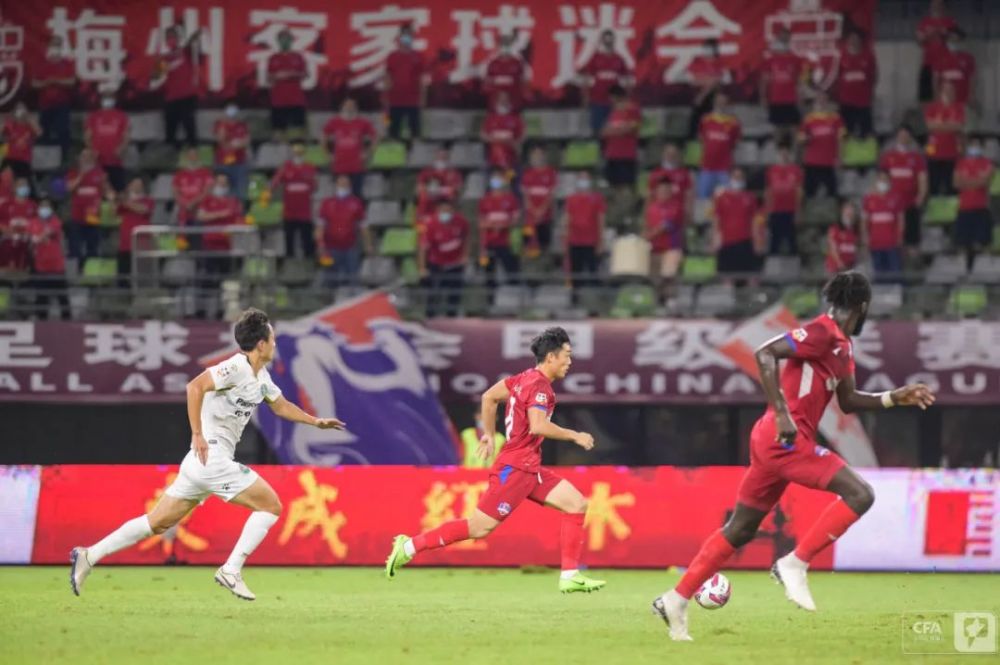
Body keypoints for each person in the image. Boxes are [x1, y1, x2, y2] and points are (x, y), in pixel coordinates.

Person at [652, 271, 935, 641]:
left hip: (777, 442)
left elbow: (848, 401)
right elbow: (764, 352)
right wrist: (782, 412)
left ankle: (676, 599)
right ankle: (795, 563)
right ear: (863, 306)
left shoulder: (843, 346)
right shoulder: (821, 332)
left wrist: (893, 397)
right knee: (860, 494)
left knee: (741, 528)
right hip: (783, 439)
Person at [70, 309, 346, 600]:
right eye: (273, 339)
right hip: (211, 456)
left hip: (199, 463)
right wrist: (197, 433)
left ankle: (89, 555)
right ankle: (231, 570)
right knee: (271, 505)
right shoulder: (235, 367)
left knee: (156, 522)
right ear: (261, 344)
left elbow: (281, 406)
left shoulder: (261, 377)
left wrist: (316, 421)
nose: (275, 344)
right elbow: (195, 386)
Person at [385, 326, 605, 594]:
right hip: (516, 468)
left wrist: (489, 434)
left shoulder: (523, 378)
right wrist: (575, 435)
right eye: (567, 355)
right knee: (478, 528)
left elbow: (489, 397)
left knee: (576, 503)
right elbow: (537, 426)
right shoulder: (540, 387)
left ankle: (570, 575)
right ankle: (408, 547)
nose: (570, 361)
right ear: (551, 357)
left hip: (529, 467)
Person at [879, 126, 928, 262]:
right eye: (901, 135)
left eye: (906, 135)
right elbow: (882, 178)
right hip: (893, 205)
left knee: (912, 237)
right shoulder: (888, 157)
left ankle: (913, 263)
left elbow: (922, 178)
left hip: (910, 203)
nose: (903, 138)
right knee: (895, 236)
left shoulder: (916, 158)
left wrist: (921, 195)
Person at [418, 198, 469, 317]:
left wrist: (465, 256)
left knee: (455, 293)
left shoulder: (462, 222)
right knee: (433, 293)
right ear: (438, 210)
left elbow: (466, 239)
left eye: (448, 210)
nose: (446, 213)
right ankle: (430, 317)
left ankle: (452, 317)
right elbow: (423, 248)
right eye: (443, 211)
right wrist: (422, 268)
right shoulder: (430, 224)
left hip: (455, 264)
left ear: (453, 210)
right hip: (437, 264)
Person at [154, 24, 202, 149]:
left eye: (173, 36)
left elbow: (191, 42)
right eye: (168, 37)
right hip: (171, 99)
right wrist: (157, 63)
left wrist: (195, 35)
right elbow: (156, 76)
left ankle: (193, 155)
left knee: (190, 130)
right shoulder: (165, 58)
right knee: (170, 133)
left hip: (187, 97)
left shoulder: (185, 52)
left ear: (178, 38)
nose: (171, 39)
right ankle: (171, 156)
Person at [316, 174, 369, 285]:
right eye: (341, 183)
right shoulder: (327, 203)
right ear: (336, 185)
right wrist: (320, 245)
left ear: (350, 186)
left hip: (350, 249)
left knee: (353, 279)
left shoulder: (356, 203)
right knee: (329, 280)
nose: (343, 186)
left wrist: (368, 244)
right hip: (330, 249)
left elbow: (363, 226)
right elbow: (320, 226)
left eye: (346, 184)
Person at [271, 141, 318, 259]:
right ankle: (289, 262)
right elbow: (275, 183)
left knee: (307, 240)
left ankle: (308, 262)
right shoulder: (285, 167)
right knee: (289, 241)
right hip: (289, 211)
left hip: (305, 212)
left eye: (300, 150)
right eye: (295, 150)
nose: (298, 153)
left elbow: (314, 186)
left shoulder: (310, 167)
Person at [31, 34, 76, 159]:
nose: (55, 47)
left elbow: (72, 81)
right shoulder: (41, 63)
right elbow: (34, 83)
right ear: (48, 46)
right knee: (43, 132)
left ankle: (63, 157)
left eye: (58, 45)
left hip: (62, 105)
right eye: (53, 44)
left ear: (61, 47)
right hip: (45, 105)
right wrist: (46, 83)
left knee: (62, 130)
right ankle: (44, 159)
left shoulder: (67, 63)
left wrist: (57, 81)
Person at [954, 136, 995, 270]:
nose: (974, 148)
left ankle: (981, 270)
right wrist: (976, 181)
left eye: (977, 145)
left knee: (981, 243)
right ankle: (966, 270)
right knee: (963, 244)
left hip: (981, 208)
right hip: (964, 208)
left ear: (982, 148)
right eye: (972, 145)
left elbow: (985, 181)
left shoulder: (987, 163)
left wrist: (966, 182)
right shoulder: (961, 163)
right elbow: (956, 183)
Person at [580, 29, 631, 137]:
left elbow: (627, 79)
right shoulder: (595, 58)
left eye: (610, 40)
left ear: (614, 41)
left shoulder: (619, 59)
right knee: (597, 130)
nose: (608, 42)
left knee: (615, 129)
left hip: (615, 102)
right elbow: (586, 78)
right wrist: (586, 96)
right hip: (597, 100)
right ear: (602, 41)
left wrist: (625, 98)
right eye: (606, 40)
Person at [712, 168, 762, 277]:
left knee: (750, 275)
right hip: (726, 242)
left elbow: (754, 222)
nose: (738, 179)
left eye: (740, 177)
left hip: (745, 241)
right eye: (735, 177)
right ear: (730, 178)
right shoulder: (721, 198)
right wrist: (715, 239)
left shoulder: (750, 197)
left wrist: (757, 241)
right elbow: (716, 220)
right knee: (726, 275)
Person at [323, 98, 377, 199]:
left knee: (357, 195)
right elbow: (324, 137)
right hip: (339, 166)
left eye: (352, 106)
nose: (349, 108)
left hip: (357, 166)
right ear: (342, 107)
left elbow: (375, 137)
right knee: (340, 196)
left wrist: (368, 153)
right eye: (347, 106)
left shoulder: (362, 122)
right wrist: (328, 154)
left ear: (356, 108)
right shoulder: (334, 122)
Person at [760, 26, 806, 142]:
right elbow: (764, 80)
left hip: (791, 99)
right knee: (777, 128)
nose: (783, 39)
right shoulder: (771, 59)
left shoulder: (795, 59)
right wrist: (763, 97)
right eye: (781, 37)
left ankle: (795, 153)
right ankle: (779, 152)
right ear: (778, 38)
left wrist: (801, 97)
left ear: (789, 38)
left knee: (795, 127)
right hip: (776, 99)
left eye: (786, 37)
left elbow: (799, 81)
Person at [27, 198, 69, 320]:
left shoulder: (56, 221)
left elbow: (48, 232)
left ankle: (67, 319)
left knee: (62, 296)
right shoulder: (33, 222)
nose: (44, 209)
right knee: (41, 296)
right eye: (42, 206)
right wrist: (37, 238)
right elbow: (31, 237)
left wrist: (38, 237)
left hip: (57, 265)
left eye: (47, 206)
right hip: (40, 264)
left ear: (51, 209)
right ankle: (41, 319)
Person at [383, 24, 427, 141]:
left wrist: (423, 98)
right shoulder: (391, 56)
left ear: (413, 37)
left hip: (413, 101)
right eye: (405, 35)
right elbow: (387, 78)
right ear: (399, 37)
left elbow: (422, 79)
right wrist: (385, 99)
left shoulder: (419, 56)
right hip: (394, 101)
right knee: (392, 132)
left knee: (415, 133)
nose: (407, 37)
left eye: (410, 35)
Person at [563, 172, 606, 289]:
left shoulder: (597, 198)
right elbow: (567, 219)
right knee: (576, 272)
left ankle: (595, 296)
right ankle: (575, 296)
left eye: (586, 179)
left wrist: (601, 241)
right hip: (575, 241)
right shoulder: (571, 198)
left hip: (591, 241)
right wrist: (566, 239)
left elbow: (601, 220)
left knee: (593, 272)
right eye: (581, 179)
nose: (583, 181)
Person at [477, 171, 521, 286]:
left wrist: (503, 226)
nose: (496, 182)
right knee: (489, 274)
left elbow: (515, 221)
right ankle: (490, 295)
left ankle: (514, 292)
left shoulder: (511, 199)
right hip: (489, 242)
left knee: (512, 271)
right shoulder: (484, 200)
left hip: (507, 242)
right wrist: (493, 226)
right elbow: (481, 223)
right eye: (494, 179)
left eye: (499, 179)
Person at [196, 173, 243, 277]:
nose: (221, 185)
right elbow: (200, 216)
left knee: (226, 274)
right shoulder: (207, 200)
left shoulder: (234, 201)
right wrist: (219, 214)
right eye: (219, 183)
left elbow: (239, 220)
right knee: (209, 274)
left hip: (227, 244)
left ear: (228, 185)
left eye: (224, 183)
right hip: (209, 243)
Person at [798, 91, 844, 199]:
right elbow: (800, 138)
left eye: (824, 99)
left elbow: (840, 140)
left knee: (832, 192)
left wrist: (840, 157)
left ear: (827, 101)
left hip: (829, 161)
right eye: (819, 99)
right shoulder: (808, 119)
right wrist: (805, 138)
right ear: (815, 102)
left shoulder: (836, 118)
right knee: (809, 192)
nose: (822, 102)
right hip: (812, 161)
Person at [66, 149, 108, 262]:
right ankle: (76, 271)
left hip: (93, 216)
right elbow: (69, 188)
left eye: (88, 156)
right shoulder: (73, 173)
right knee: (75, 248)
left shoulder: (100, 173)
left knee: (92, 248)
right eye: (83, 156)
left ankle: (91, 270)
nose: (85, 158)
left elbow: (105, 192)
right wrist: (81, 175)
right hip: (77, 216)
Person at [697, 92, 741, 200]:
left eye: (723, 101)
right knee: (702, 198)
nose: (721, 103)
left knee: (727, 198)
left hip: (724, 168)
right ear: (714, 103)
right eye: (718, 101)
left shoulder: (734, 123)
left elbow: (734, 142)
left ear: (727, 103)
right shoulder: (705, 120)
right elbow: (701, 139)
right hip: (707, 166)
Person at [924, 81, 964, 195]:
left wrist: (939, 125)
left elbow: (958, 126)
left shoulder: (959, 107)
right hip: (933, 151)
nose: (948, 92)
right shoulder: (932, 107)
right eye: (945, 89)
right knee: (933, 186)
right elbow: (930, 126)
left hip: (952, 153)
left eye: (950, 90)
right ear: (940, 92)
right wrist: (949, 125)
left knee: (951, 187)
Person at [84, 93, 130, 193]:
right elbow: (88, 136)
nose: (108, 100)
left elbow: (126, 135)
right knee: (98, 189)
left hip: (115, 160)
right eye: (106, 97)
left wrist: (121, 149)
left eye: (110, 98)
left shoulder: (121, 116)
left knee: (118, 190)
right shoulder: (94, 116)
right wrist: (92, 150)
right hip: (98, 160)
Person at [267, 28, 308, 141]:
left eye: (287, 38)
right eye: (282, 39)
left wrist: (290, 74)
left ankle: (297, 150)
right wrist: (277, 76)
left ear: (291, 41)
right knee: (278, 132)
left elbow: (304, 74)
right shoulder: (273, 58)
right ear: (278, 41)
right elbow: (269, 77)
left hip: (296, 100)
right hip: (278, 101)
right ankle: (280, 151)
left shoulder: (298, 57)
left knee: (298, 132)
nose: (284, 41)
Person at [686, 39, 731, 140]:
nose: (707, 51)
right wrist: (708, 81)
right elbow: (692, 80)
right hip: (697, 98)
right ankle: (694, 140)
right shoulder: (697, 61)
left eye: (710, 48)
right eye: (705, 48)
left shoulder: (721, 63)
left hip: (713, 98)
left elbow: (723, 80)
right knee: (695, 120)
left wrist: (705, 90)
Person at [862, 170, 904, 276]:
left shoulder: (896, 198)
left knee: (895, 274)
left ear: (889, 182)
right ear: (876, 181)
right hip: (875, 244)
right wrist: (865, 239)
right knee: (879, 276)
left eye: (885, 179)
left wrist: (900, 237)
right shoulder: (868, 198)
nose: (883, 182)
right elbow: (864, 222)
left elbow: (901, 220)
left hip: (892, 244)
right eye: (880, 179)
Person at [764, 142, 803, 256]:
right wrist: (767, 211)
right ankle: (772, 264)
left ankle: (794, 264)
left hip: (790, 210)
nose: (784, 155)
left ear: (789, 154)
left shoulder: (796, 170)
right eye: (782, 153)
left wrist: (798, 212)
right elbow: (768, 192)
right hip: (775, 210)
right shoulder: (771, 171)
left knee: (792, 240)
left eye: (786, 153)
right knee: (774, 241)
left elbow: (799, 192)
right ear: (778, 154)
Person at [601, 85, 641, 197]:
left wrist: (614, 131)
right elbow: (603, 132)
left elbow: (632, 128)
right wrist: (619, 130)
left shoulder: (633, 110)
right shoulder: (613, 113)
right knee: (613, 184)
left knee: (626, 185)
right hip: (612, 154)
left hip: (626, 155)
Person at [643, 180, 685, 285]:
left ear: (671, 192)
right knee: (653, 281)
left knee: (668, 278)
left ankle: (669, 294)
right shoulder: (651, 208)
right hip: (654, 250)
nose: (663, 193)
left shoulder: (676, 207)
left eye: (666, 190)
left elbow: (666, 226)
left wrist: (647, 236)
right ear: (656, 191)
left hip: (671, 249)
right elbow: (647, 226)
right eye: (661, 190)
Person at [836, 30, 877, 137]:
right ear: (847, 40)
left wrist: (870, 93)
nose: (854, 41)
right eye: (851, 39)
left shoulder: (868, 56)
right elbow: (837, 76)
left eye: (856, 39)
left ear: (860, 41)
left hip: (863, 102)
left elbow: (873, 76)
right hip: (846, 102)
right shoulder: (841, 56)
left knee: (865, 132)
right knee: (846, 132)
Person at [916, 0, 957, 103]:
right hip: (928, 63)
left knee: (945, 96)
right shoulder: (925, 22)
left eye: (939, 4)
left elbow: (958, 38)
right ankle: (928, 113)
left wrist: (945, 33)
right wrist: (930, 34)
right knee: (925, 97)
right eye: (934, 4)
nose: (936, 6)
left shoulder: (949, 21)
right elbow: (919, 41)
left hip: (945, 64)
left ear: (944, 6)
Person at [520, 146, 558, 256]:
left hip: (545, 216)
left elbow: (551, 195)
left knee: (544, 244)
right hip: (529, 218)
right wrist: (533, 210)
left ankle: (544, 260)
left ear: (544, 156)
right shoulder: (527, 173)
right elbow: (525, 196)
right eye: (534, 155)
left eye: (539, 154)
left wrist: (541, 210)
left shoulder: (551, 173)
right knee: (527, 242)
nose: (537, 157)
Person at [480, 91, 524, 180]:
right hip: (493, 160)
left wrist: (514, 143)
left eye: (506, 99)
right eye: (501, 99)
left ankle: (506, 182)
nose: (503, 101)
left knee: (509, 180)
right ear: (497, 101)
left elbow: (522, 136)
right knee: (495, 184)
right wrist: (498, 140)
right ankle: (498, 184)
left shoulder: (516, 118)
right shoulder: (490, 118)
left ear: (509, 101)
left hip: (511, 160)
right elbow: (483, 135)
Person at [116, 177, 154, 279]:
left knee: (142, 273)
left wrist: (126, 202)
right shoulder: (123, 202)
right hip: (125, 242)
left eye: (139, 185)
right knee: (124, 273)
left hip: (141, 242)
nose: (137, 187)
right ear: (129, 186)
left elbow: (143, 209)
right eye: (135, 184)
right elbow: (115, 211)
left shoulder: (148, 200)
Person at [483, 32, 530, 113]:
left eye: (507, 45)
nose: (505, 47)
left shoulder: (517, 63)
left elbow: (523, 82)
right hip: (495, 104)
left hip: (514, 103)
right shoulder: (493, 64)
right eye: (503, 44)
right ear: (498, 46)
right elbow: (487, 83)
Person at [649, 144, 694, 225]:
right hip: (659, 213)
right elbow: (650, 194)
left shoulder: (684, 173)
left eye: (673, 154)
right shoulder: (656, 173)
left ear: (678, 155)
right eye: (668, 154)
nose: (671, 156)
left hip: (678, 213)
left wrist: (689, 211)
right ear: (663, 155)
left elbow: (689, 194)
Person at [214, 102, 250, 200]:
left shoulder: (242, 125)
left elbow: (246, 141)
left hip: (239, 162)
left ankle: (239, 208)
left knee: (240, 190)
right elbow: (221, 141)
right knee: (223, 190)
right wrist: (235, 144)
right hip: (223, 162)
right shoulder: (220, 124)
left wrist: (234, 144)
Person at [932, 28, 976, 109]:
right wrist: (936, 97)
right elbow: (935, 79)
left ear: (962, 42)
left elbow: (972, 78)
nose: (954, 42)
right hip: (945, 100)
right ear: (947, 41)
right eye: (951, 40)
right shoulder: (939, 57)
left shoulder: (968, 58)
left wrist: (972, 96)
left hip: (963, 99)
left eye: (957, 40)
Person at [172, 147, 214, 231]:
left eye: (194, 155)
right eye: (190, 155)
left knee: (198, 226)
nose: (192, 157)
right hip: (183, 205)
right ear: (187, 157)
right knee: (175, 216)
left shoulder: (206, 172)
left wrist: (193, 203)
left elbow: (207, 191)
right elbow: (175, 191)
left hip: (200, 205)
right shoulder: (180, 173)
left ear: (198, 156)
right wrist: (183, 203)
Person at [0, 178, 37, 271]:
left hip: (26, 241)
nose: (24, 187)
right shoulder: (6, 205)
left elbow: (37, 224)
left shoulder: (33, 205)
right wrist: (6, 230)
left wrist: (30, 232)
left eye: (26, 185)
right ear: (14, 188)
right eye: (21, 185)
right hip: (9, 240)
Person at [416, 147, 463, 215]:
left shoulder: (454, 172)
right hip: (430, 195)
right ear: (435, 157)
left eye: (444, 156)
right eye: (440, 156)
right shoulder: (427, 171)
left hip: (446, 197)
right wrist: (429, 189)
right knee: (423, 197)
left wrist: (441, 190)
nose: (442, 158)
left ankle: (447, 217)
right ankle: (424, 217)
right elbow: (420, 187)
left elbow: (458, 188)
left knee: (451, 198)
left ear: (448, 158)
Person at [2, 102, 41, 181]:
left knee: (24, 183)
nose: (20, 111)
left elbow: (39, 133)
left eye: (22, 108)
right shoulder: (10, 124)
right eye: (18, 109)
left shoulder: (30, 126)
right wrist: (10, 118)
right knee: (4, 179)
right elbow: (2, 132)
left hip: (24, 159)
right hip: (10, 158)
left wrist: (28, 118)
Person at [460, 405, 505, 469]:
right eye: (481, 415)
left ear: (496, 418)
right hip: (467, 474)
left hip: (490, 474)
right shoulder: (466, 435)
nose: (484, 419)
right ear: (476, 416)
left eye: (488, 416)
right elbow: (460, 459)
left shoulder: (501, 439)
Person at [826, 199, 860, 274]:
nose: (850, 212)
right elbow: (832, 248)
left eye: (852, 209)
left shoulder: (855, 229)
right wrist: (840, 263)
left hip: (850, 266)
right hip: (837, 268)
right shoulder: (835, 228)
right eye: (847, 209)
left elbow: (855, 248)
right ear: (842, 211)